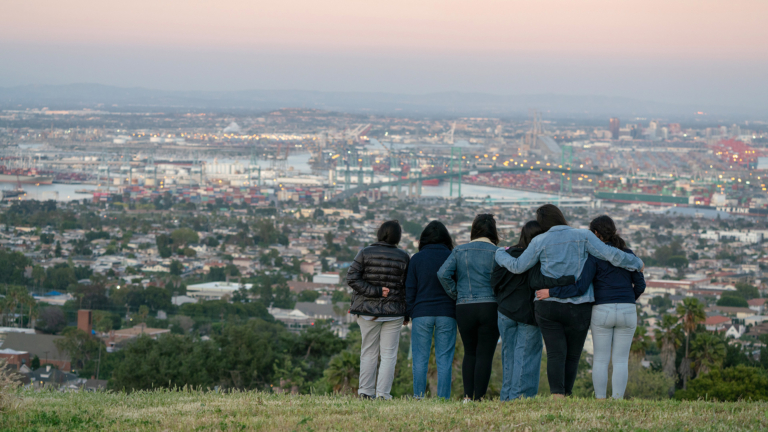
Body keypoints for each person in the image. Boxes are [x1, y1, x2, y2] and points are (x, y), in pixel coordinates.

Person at [494, 204, 644, 398]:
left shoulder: (540, 240)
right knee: (573, 355)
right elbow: (611, 255)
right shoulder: (584, 236)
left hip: (548, 304)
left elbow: (517, 266)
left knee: (556, 354)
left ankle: (557, 396)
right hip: (579, 305)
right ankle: (568, 393)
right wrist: (637, 263)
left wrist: (499, 253)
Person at [536, 215, 645, 399]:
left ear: (595, 234)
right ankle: (617, 401)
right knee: (620, 360)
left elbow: (580, 287)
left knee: (600, 359)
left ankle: (600, 400)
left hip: (602, 310)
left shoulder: (594, 257)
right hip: (627, 309)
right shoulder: (629, 256)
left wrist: (551, 292)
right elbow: (640, 285)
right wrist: (627, 299)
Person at [491, 221, 575, 401]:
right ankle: (520, 399)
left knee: (509, 356)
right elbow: (540, 282)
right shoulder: (536, 259)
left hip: (505, 312)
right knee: (526, 357)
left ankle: (506, 397)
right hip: (528, 314)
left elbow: (495, 282)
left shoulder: (505, 254)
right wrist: (568, 280)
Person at [437, 214, 500, 401]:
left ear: (474, 230)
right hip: (490, 306)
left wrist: (456, 293)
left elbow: (442, 274)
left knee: (470, 352)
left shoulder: (459, 251)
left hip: (465, 306)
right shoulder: (498, 252)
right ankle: (479, 398)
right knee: (485, 355)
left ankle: (467, 397)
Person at [347, 220, 410, 400]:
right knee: (389, 354)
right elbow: (407, 287)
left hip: (368, 311)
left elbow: (351, 278)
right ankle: (383, 394)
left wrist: (374, 291)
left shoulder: (365, 253)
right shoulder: (404, 256)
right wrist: (407, 312)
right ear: (397, 236)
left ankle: (365, 392)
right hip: (394, 311)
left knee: (368, 351)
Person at [406, 221, 456, 400]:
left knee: (419, 360)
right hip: (447, 313)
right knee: (444, 360)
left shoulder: (417, 258)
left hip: (421, 313)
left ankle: (418, 397)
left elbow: (410, 290)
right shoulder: (452, 256)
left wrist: (410, 313)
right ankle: (443, 399)